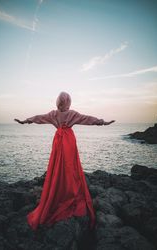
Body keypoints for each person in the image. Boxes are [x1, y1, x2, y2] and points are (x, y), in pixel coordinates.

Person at [14, 91, 115, 231]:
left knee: (58, 167)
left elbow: (39, 118)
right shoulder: (72, 114)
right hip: (69, 142)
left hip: (59, 142)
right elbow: (87, 119)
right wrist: (102, 122)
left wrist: (26, 120)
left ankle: (58, 190)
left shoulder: (53, 114)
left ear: (58, 102)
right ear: (69, 102)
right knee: (70, 168)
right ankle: (70, 191)